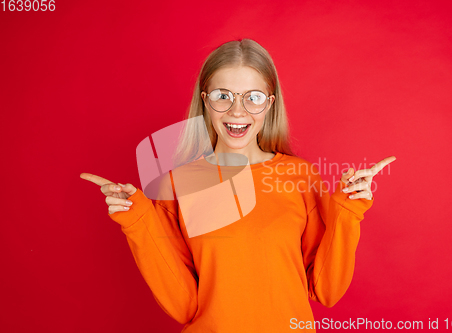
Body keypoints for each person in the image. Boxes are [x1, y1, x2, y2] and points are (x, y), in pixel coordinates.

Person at [80, 38, 395, 332]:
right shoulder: (176, 186)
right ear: (205, 100)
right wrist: (137, 220)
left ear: (269, 103)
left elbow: (326, 290)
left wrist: (348, 209)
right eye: (223, 96)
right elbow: (184, 306)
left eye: (252, 98)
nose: (237, 110)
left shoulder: (300, 177)